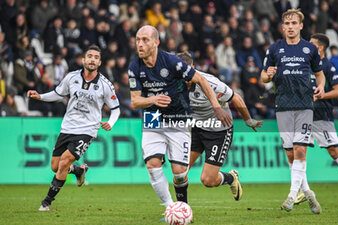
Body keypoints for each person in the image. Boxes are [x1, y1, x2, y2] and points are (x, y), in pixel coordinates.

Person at [128, 25, 232, 213]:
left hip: (177, 117)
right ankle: (172, 208)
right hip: (152, 117)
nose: (140, 44)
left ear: (156, 42)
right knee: (152, 165)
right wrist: (153, 99)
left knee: (179, 173)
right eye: (137, 40)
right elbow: (135, 101)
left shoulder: (172, 62)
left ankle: (181, 204)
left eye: (145, 40)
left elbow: (200, 79)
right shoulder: (135, 66)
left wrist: (216, 107)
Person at [27, 45, 120, 211]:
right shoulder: (71, 77)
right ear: (83, 60)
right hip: (67, 127)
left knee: (63, 163)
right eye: (89, 56)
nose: (92, 59)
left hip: (87, 130)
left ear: (99, 62)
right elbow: (58, 93)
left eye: (96, 57)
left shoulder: (105, 85)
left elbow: (116, 108)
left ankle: (46, 202)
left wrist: (111, 123)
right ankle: (78, 170)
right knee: (55, 166)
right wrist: (40, 96)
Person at [260, 9, 325, 214]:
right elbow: (263, 76)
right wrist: (268, 76)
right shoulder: (274, 49)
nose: (290, 26)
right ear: (283, 27)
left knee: (300, 150)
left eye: (294, 23)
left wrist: (321, 86)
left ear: (301, 26)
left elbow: (319, 74)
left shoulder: (309, 49)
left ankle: (290, 196)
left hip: (305, 105)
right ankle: (308, 193)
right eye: (287, 23)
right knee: (290, 153)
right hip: (283, 106)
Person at [177, 51, 262, 200]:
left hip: (219, 131)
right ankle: (182, 209)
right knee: (179, 172)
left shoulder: (210, 83)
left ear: (193, 68)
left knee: (207, 180)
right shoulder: (174, 84)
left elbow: (236, 98)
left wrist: (248, 120)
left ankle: (230, 178)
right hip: (196, 129)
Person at [295, 33, 338, 204]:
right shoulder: (305, 65)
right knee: (298, 152)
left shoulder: (327, 66)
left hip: (321, 116)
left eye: (311, 44)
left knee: (334, 151)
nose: (308, 46)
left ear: (320, 47)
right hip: (303, 115)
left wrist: (320, 96)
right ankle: (304, 191)